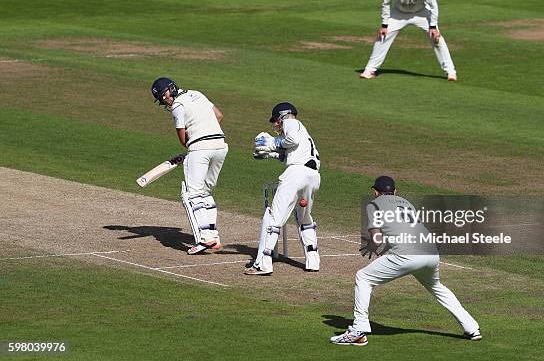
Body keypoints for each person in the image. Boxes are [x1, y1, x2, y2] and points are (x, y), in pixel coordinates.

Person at [330, 176, 481, 346]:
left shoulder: (374, 204)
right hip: (431, 253)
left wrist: (372, 246)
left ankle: (358, 329)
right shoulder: (405, 202)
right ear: (395, 191)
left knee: (363, 277)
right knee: (437, 287)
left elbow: (377, 238)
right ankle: (472, 328)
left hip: (406, 255)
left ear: (375, 192)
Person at [150, 77, 228, 255]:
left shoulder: (177, 106)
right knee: (205, 191)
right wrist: (206, 134)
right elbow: (219, 116)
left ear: (170, 89)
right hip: (220, 145)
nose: (165, 101)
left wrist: (196, 148)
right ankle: (213, 237)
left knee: (191, 194)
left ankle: (205, 238)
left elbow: (182, 139)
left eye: (164, 96)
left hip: (200, 148)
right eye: (162, 99)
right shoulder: (197, 93)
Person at [244, 102, 321, 276]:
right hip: (313, 176)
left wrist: (272, 143)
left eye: (275, 120)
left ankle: (263, 263)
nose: (275, 124)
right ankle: (313, 260)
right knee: (304, 218)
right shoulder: (305, 134)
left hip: (296, 175)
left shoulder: (291, 122)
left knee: (274, 218)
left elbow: (290, 141)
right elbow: (290, 154)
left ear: (282, 115)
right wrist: (270, 153)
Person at [359, 0, 457, 81]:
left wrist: (432, 27)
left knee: (436, 38)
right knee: (382, 36)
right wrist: (384, 25)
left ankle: (450, 71)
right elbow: (385, 4)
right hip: (399, 14)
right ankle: (370, 70)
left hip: (420, 13)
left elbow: (434, 5)